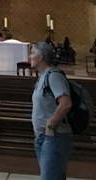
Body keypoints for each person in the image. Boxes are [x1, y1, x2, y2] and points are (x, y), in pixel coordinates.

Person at [29, 41, 73, 180]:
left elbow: (66, 103)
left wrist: (49, 125)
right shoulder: (42, 76)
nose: (29, 56)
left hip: (54, 136)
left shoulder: (53, 75)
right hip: (43, 137)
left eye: (32, 53)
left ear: (41, 57)